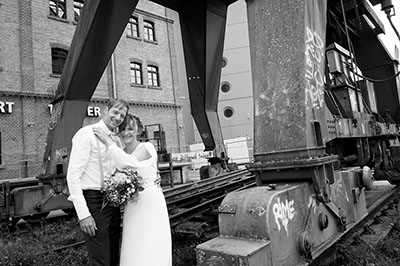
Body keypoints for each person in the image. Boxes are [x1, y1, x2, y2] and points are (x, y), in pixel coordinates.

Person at [93, 114, 172, 266]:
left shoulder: (146, 147)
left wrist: (109, 142)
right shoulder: (120, 151)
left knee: (151, 240)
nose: (126, 132)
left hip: (150, 201)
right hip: (132, 204)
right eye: (122, 129)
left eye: (131, 128)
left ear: (139, 130)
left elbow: (127, 163)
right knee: (133, 241)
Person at [67, 99, 129, 266]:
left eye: (122, 116)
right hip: (94, 202)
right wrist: (84, 214)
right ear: (105, 110)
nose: (117, 118)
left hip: (112, 202)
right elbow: (73, 175)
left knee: (113, 256)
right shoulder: (86, 134)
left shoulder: (115, 140)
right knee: (101, 259)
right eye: (115, 112)